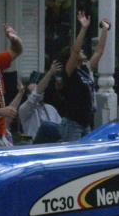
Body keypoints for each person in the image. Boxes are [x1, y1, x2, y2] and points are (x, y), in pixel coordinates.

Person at [56, 12, 109, 141]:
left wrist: (105, 30)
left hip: (85, 122)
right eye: (80, 51)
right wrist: (84, 28)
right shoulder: (69, 72)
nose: (82, 51)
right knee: (72, 156)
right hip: (72, 124)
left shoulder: (85, 69)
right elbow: (75, 50)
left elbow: (99, 51)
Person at [18, 60, 63, 142]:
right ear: (28, 96)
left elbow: (61, 128)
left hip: (53, 144)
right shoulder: (24, 109)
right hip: (34, 144)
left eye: (41, 88)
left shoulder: (50, 108)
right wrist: (50, 73)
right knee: (46, 126)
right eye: (35, 90)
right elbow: (36, 95)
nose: (41, 91)